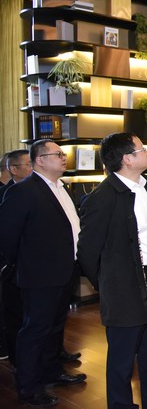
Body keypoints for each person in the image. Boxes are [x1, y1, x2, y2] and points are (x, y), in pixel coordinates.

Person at [77, 133, 147, 409]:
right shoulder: (103, 197)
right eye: (141, 149)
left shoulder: (146, 186)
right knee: (123, 355)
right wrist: (110, 282)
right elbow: (87, 252)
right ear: (127, 159)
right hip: (125, 286)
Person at [0, 141, 86, 408]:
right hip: (39, 274)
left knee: (55, 327)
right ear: (39, 160)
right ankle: (29, 387)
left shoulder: (61, 187)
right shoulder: (23, 191)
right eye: (57, 154)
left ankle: (51, 371)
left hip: (66, 270)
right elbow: (7, 236)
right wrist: (25, 264)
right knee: (35, 330)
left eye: (63, 153)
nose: (63, 157)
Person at [0, 149, 34, 366]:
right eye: (28, 164)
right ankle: (15, 358)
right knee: (15, 314)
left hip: (34, 266)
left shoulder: (40, 190)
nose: (32, 168)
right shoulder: (7, 193)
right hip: (12, 264)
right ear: (13, 169)